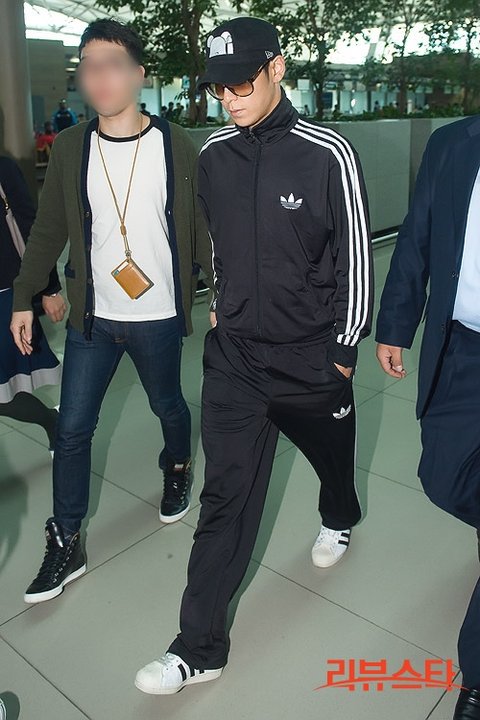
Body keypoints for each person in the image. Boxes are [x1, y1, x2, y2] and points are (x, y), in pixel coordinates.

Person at [136, 16, 373, 695]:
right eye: (219, 88)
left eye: (242, 82)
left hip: (311, 357)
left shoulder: (328, 154)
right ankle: (198, 646)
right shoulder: (215, 155)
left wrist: (343, 349)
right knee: (225, 498)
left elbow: (356, 254)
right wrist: (222, 297)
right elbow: (217, 238)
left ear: (277, 68)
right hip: (236, 359)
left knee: (333, 462)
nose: (230, 99)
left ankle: (339, 514)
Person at [10, 19, 214, 605]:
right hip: (93, 319)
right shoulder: (72, 146)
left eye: (113, 63)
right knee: (73, 429)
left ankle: (178, 466)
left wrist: (224, 293)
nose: (100, 76)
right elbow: (48, 230)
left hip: (159, 314)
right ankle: (66, 538)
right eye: (89, 65)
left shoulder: (177, 145)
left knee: (167, 404)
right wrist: (24, 296)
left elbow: (202, 229)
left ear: (138, 74)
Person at [376, 116, 480, 719]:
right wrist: (395, 324)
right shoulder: (452, 144)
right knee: (443, 478)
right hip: (462, 347)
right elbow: (417, 238)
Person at [1, 156, 64, 449]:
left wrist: (49, 288)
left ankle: (50, 420)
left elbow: (30, 228)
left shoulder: (3, 168)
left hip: (4, 293)